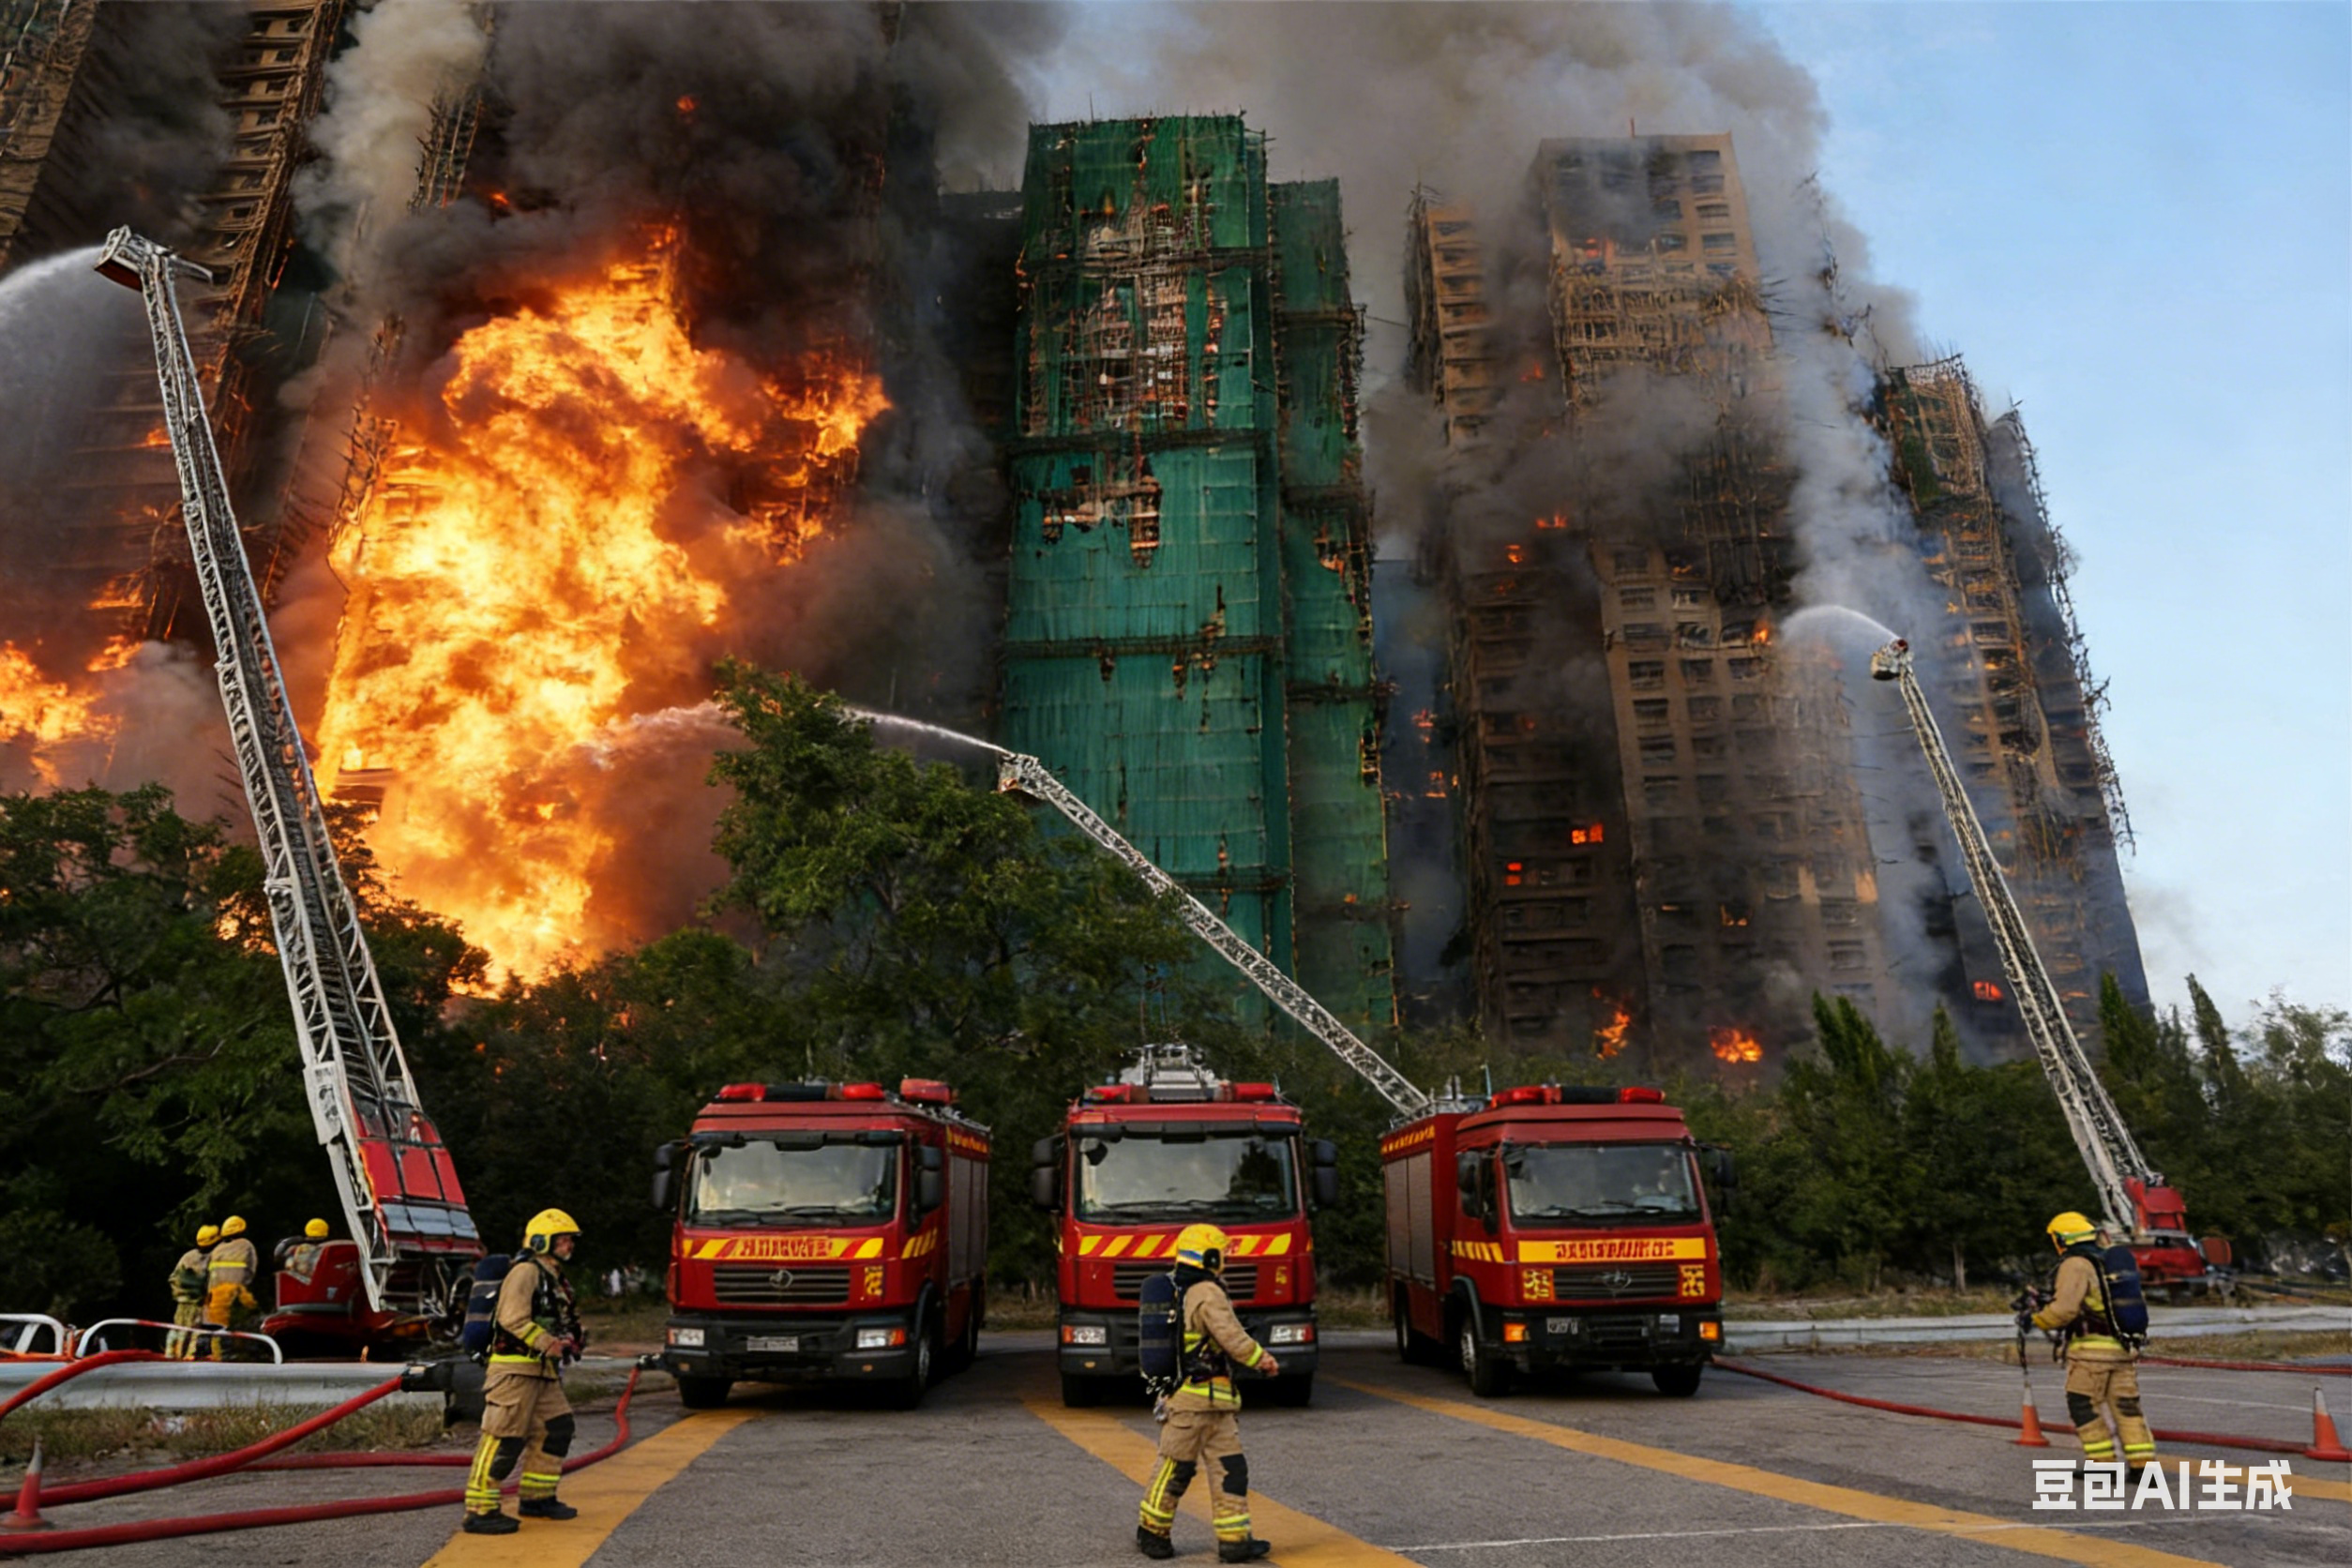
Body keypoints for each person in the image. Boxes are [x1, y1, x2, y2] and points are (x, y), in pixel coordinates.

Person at [1136, 1224, 1277, 1563]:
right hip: (1191, 1402)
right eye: (1222, 1252)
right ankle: (1152, 1531)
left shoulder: (1188, 1290)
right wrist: (1263, 1359)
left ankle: (1234, 1540)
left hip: (1217, 1405)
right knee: (1176, 1468)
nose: (1225, 1258)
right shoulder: (1206, 1292)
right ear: (1209, 1256)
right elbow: (1232, 1337)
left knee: (1229, 1469)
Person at [462, 1209, 586, 1536]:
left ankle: (537, 1498)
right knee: (503, 1437)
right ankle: (480, 1509)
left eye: (570, 1238)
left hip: (542, 1371)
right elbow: (511, 1319)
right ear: (542, 1240)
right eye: (563, 1238)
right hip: (514, 1370)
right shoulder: (526, 1273)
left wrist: (570, 1339)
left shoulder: (554, 1277)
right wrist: (548, 1343)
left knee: (557, 1428)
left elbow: (559, 1317)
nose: (568, 1244)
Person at [2026, 1211, 2156, 1473]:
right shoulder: (2106, 1260)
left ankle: (2103, 1465)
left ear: (2063, 1238)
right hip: (2122, 1348)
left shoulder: (2076, 1264)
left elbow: (2065, 1309)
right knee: (2126, 1407)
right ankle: (2143, 1468)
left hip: (2091, 1353)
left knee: (2083, 1405)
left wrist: (2036, 1320)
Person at [204, 1215, 261, 1359]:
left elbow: (208, 1274)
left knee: (218, 1327)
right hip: (237, 1293)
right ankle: (245, 1352)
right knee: (243, 1322)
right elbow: (252, 1269)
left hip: (215, 1295)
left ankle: (221, 1354)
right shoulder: (247, 1245)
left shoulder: (217, 1249)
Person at [166, 1225, 217, 1359]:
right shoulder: (213, 1259)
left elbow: (173, 1278)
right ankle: (186, 1356)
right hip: (197, 1304)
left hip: (183, 1302)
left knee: (179, 1329)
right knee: (194, 1331)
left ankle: (171, 1355)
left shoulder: (188, 1257)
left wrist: (180, 1293)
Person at [278, 1218, 331, 1285]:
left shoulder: (294, 1249)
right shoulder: (330, 1250)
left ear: (307, 1230)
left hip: (299, 1287)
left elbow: (279, 1256)